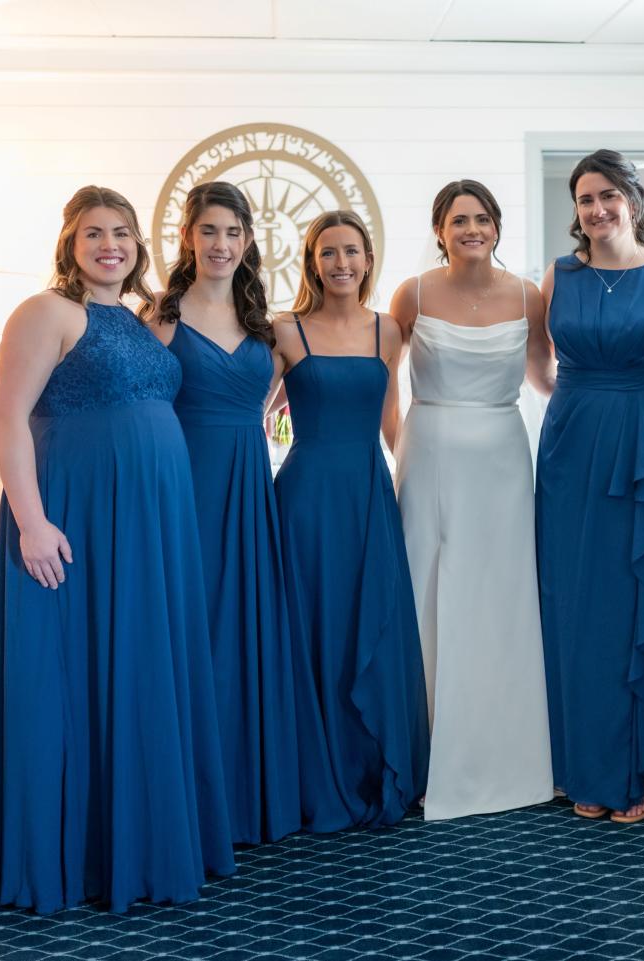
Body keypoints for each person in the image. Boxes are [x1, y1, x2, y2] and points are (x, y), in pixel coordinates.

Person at [0, 185, 234, 913]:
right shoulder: (45, 312)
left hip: (149, 525)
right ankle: (75, 858)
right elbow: (6, 416)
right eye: (94, 233)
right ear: (69, 243)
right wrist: (31, 521)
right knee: (74, 676)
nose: (110, 245)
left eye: (122, 232)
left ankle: (146, 844)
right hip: (78, 518)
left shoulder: (133, 317)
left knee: (143, 670)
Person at [534, 149, 644, 824]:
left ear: (633, 200)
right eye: (584, 199)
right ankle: (587, 764)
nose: (597, 209)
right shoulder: (558, 275)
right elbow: (539, 368)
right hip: (573, 445)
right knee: (581, 607)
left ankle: (640, 767)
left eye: (608, 195)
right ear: (574, 210)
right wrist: (588, 402)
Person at [389, 180, 554, 820]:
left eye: (481, 218)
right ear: (439, 230)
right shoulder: (415, 293)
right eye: (458, 220)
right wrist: (400, 444)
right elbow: (385, 377)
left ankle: (503, 753)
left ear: (497, 226)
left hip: (502, 455)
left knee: (498, 596)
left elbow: (543, 375)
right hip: (429, 448)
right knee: (427, 594)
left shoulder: (528, 296)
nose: (471, 229)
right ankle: (426, 752)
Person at [152, 180, 303, 845]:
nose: (221, 244)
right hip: (183, 485)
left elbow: (275, 406)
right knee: (194, 632)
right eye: (209, 230)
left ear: (248, 241)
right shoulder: (159, 317)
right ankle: (190, 794)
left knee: (245, 633)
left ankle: (245, 794)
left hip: (249, 491)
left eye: (234, 232)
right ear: (188, 236)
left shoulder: (263, 322)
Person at [270, 210, 429, 831]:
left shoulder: (388, 330)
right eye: (328, 252)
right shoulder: (285, 331)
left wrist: (416, 478)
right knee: (314, 634)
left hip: (368, 496)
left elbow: (391, 416)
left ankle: (373, 765)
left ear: (369, 260)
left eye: (352, 252)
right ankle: (315, 774)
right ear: (312, 261)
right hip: (306, 501)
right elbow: (248, 412)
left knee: (373, 627)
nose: (341, 264)